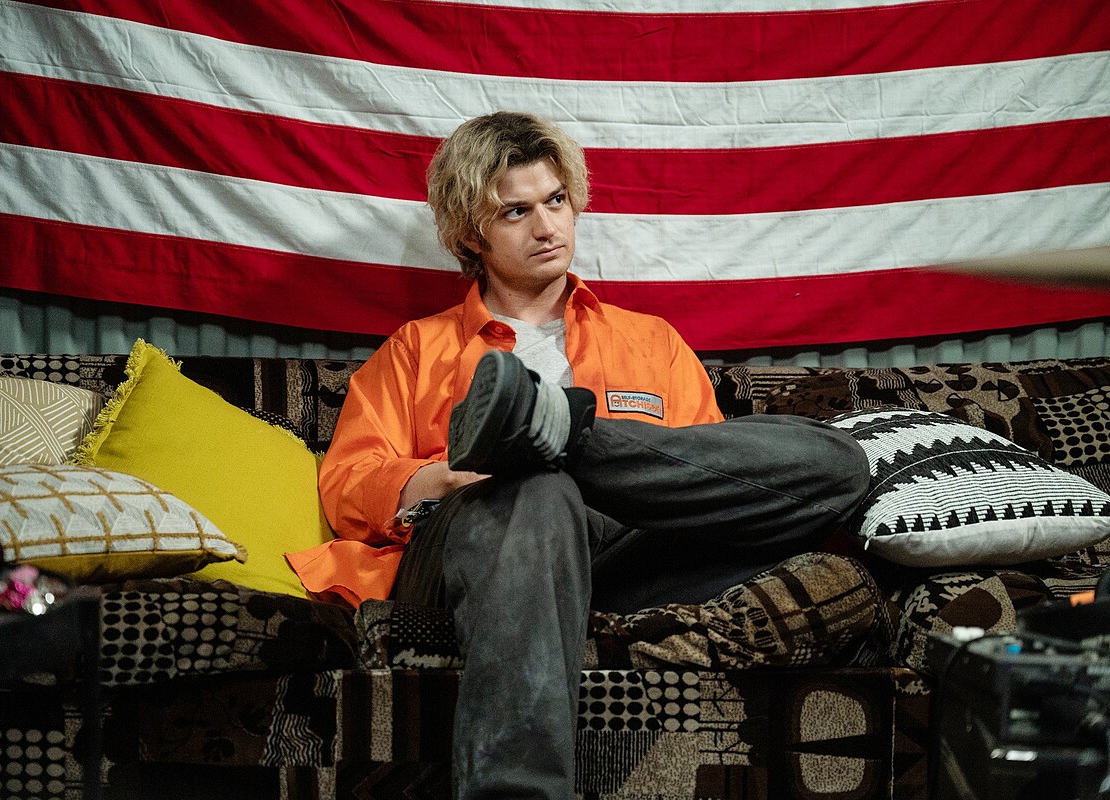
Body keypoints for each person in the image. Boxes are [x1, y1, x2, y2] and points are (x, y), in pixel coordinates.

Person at [297, 111, 871, 799]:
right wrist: (451, 477)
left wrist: (571, 453)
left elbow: (706, 476)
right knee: (536, 490)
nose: (547, 227)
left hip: (625, 553)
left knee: (841, 463)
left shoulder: (651, 341)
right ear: (471, 234)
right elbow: (349, 483)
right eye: (516, 211)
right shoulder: (420, 348)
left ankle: (561, 436)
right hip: (484, 547)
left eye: (556, 200)